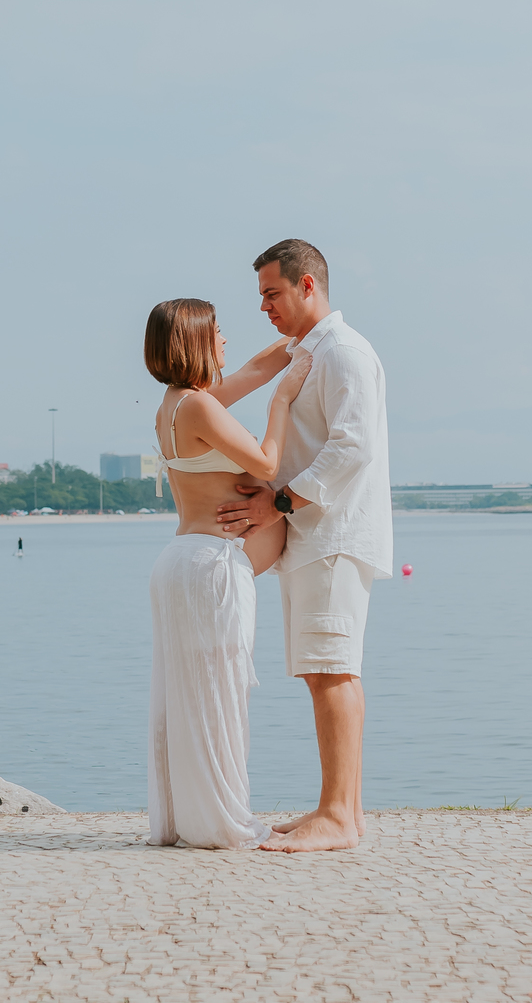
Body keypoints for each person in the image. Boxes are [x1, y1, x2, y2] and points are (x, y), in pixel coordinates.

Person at [216, 239, 391, 852]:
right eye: (261, 296)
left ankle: (337, 816)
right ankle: (346, 809)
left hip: (332, 533)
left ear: (307, 285)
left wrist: (277, 502)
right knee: (327, 670)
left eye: (272, 293)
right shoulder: (309, 350)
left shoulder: (342, 353)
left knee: (330, 669)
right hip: (317, 534)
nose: (264, 306)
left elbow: (353, 448)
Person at [145, 297, 312, 849]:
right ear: (193, 340)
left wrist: (310, 335)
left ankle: (195, 817)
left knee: (191, 699)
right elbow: (266, 463)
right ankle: (220, 822)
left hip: (186, 564)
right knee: (217, 698)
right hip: (210, 567)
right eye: (215, 332)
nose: (224, 341)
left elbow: (258, 368)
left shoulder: (178, 405)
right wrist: (282, 403)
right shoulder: (198, 407)